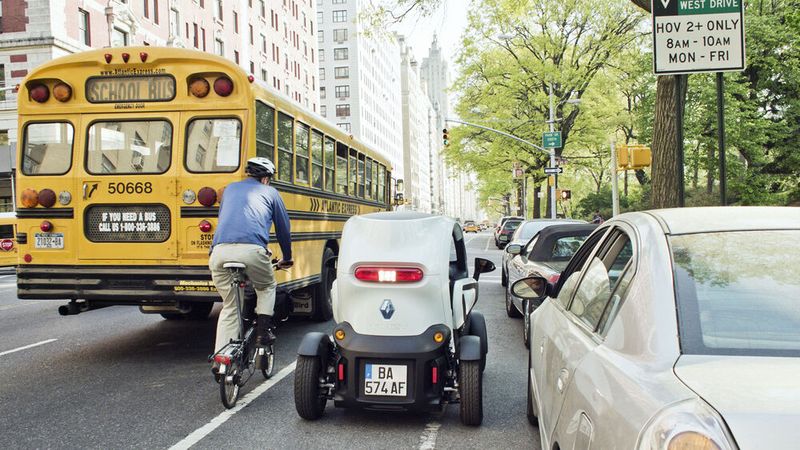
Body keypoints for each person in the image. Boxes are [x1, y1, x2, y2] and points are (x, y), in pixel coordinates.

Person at [209, 157, 293, 361]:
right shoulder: (271, 192)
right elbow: (283, 228)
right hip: (252, 251)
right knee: (266, 287)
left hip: (219, 252)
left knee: (230, 305)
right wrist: (287, 257)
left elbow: (223, 221)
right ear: (266, 179)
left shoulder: (229, 190)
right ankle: (263, 334)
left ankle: (222, 357)